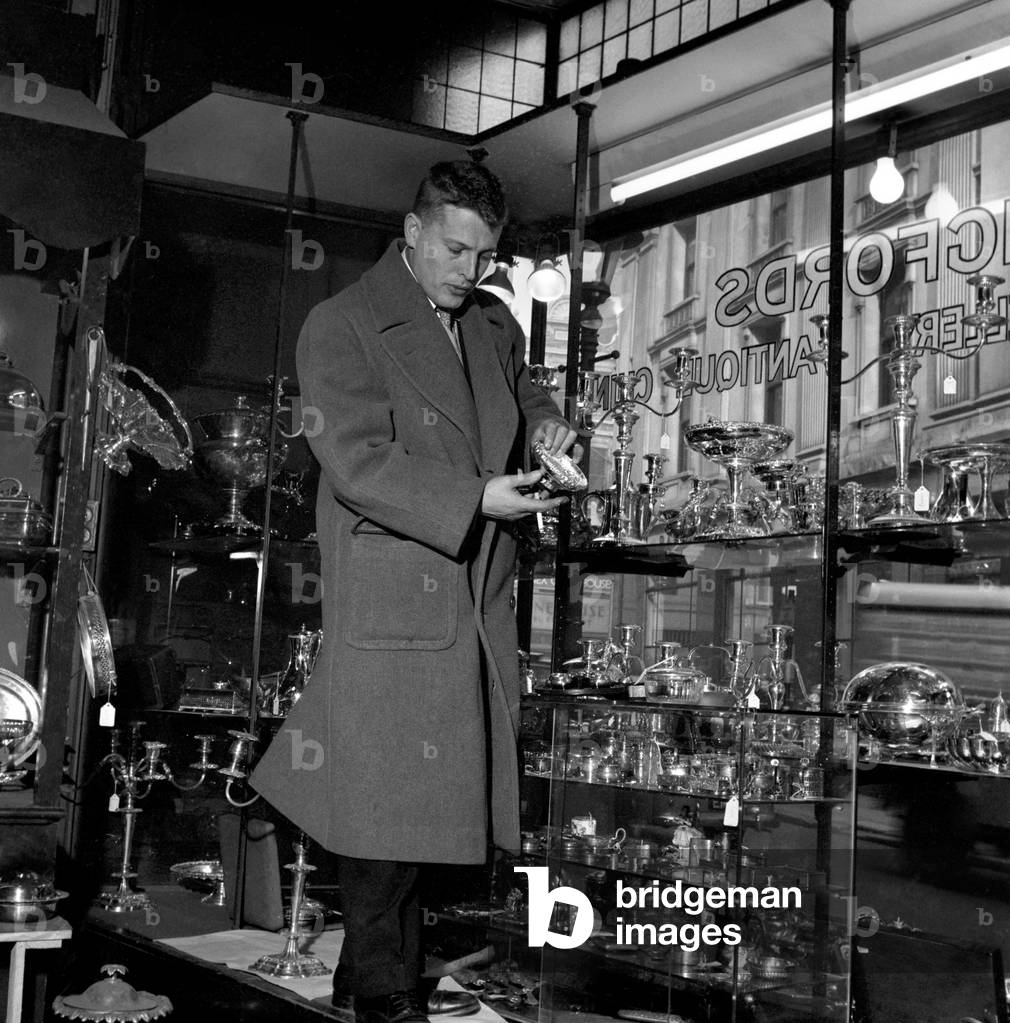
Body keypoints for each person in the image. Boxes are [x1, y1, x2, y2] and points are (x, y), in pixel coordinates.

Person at [250, 160, 579, 1023]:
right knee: (383, 815)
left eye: (485, 254)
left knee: (425, 820)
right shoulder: (342, 322)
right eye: (456, 249)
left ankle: (369, 978)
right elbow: (358, 463)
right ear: (412, 231)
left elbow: (526, 387)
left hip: (471, 594)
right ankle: (388, 999)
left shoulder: (492, 323)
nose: (470, 270)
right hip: (396, 599)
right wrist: (477, 496)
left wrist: (546, 426)